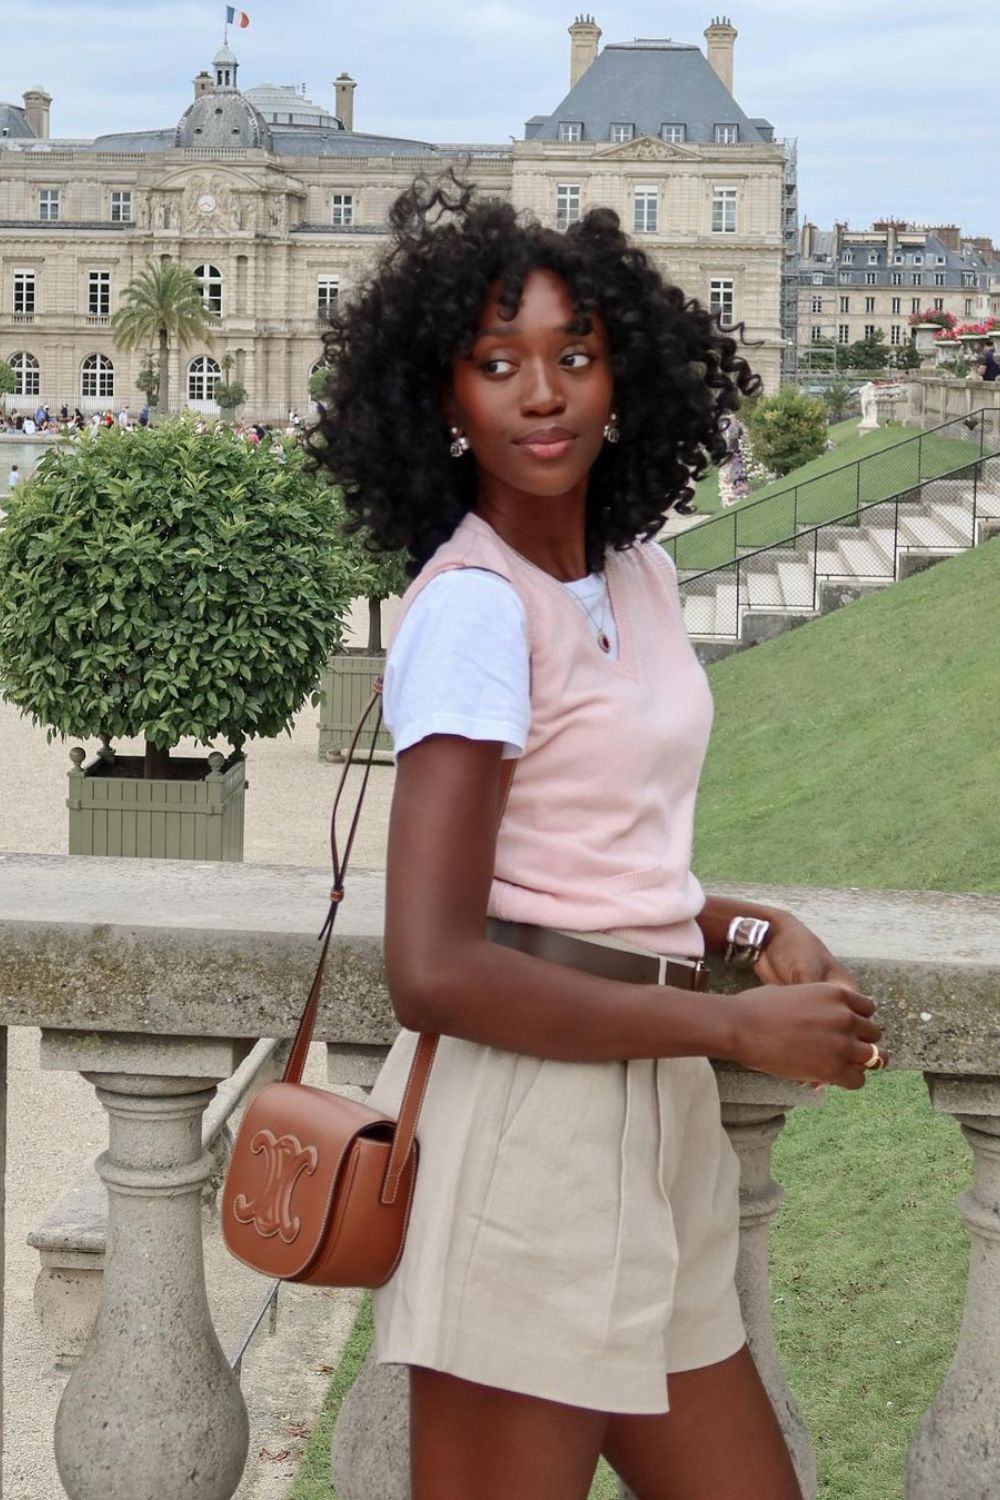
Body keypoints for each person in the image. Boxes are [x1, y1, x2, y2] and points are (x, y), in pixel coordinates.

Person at [309, 171, 884, 1500]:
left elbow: (592, 864)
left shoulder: (641, 574)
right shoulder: (472, 609)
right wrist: (736, 1026)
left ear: (627, 370)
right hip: (527, 1127)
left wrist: (734, 927)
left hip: (653, 1112)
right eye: (496, 360)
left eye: (575, 352)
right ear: (441, 397)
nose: (543, 389)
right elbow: (436, 966)